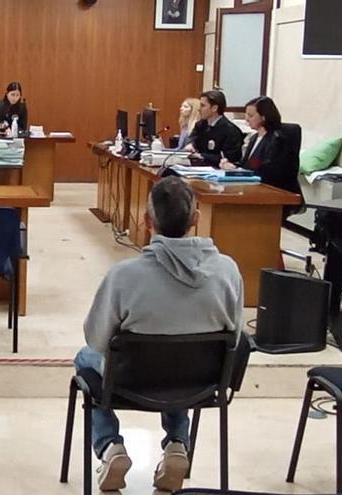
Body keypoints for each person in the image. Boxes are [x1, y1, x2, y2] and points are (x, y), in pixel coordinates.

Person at [77, 176, 243, 493]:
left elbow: (96, 340)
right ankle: (179, 443)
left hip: (129, 381)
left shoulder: (124, 276)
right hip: (201, 382)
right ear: (195, 219)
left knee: (84, 358)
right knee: (180, 361)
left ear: (146, 220)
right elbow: (233, 339)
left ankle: (110, 446)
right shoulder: (228, 271)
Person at [219, 96, 303, 205]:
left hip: (273, 192)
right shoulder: (254, 138)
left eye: (251, 115)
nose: (247, 119)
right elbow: (251, 164)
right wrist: (231, 166)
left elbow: (269, 169)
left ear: (264, 117)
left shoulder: (278, 139)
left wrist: (240, 171)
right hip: (251, 188)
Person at [184, 90, 244, 167]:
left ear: (214, 108)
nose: (199, 109)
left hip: (217, 170)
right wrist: (190, 144)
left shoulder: (231, 131)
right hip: (197, 166)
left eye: (203, 106)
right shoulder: (200, 125)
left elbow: (230, 157)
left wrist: (202, 156)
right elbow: (193, 137)